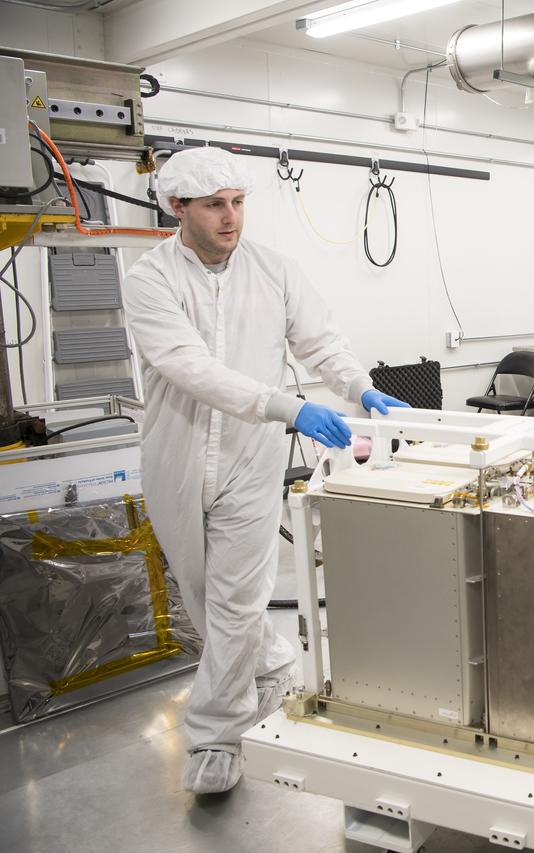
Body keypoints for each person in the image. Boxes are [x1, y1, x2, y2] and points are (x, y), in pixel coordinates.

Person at [122, 147, 408, 794]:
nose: (231, 218)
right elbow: (189, 367)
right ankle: (275, 660)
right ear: (178, 208)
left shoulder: (275, 270)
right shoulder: (150, 279)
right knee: (202, 594)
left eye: (239, 202)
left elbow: (319, 341)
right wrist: (289, 405)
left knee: (235, 599)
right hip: (176, 456)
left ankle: (215, 736)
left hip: (251, 460)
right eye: (215, 205)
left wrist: (360, 387)